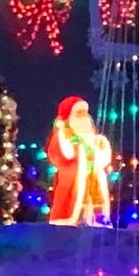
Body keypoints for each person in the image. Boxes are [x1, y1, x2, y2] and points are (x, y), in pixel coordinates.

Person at [46, 95, 114, 226]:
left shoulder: (94, 139)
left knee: (94, 209)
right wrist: (63, 136)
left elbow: (104, 159)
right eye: (79, 114)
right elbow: (62, 155)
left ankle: (95, 221)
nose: (84, 118)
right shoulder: (64, 136)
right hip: (72, 182)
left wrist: (101, 148)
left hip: (93, 182)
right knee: (71, 208)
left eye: (85, 114)